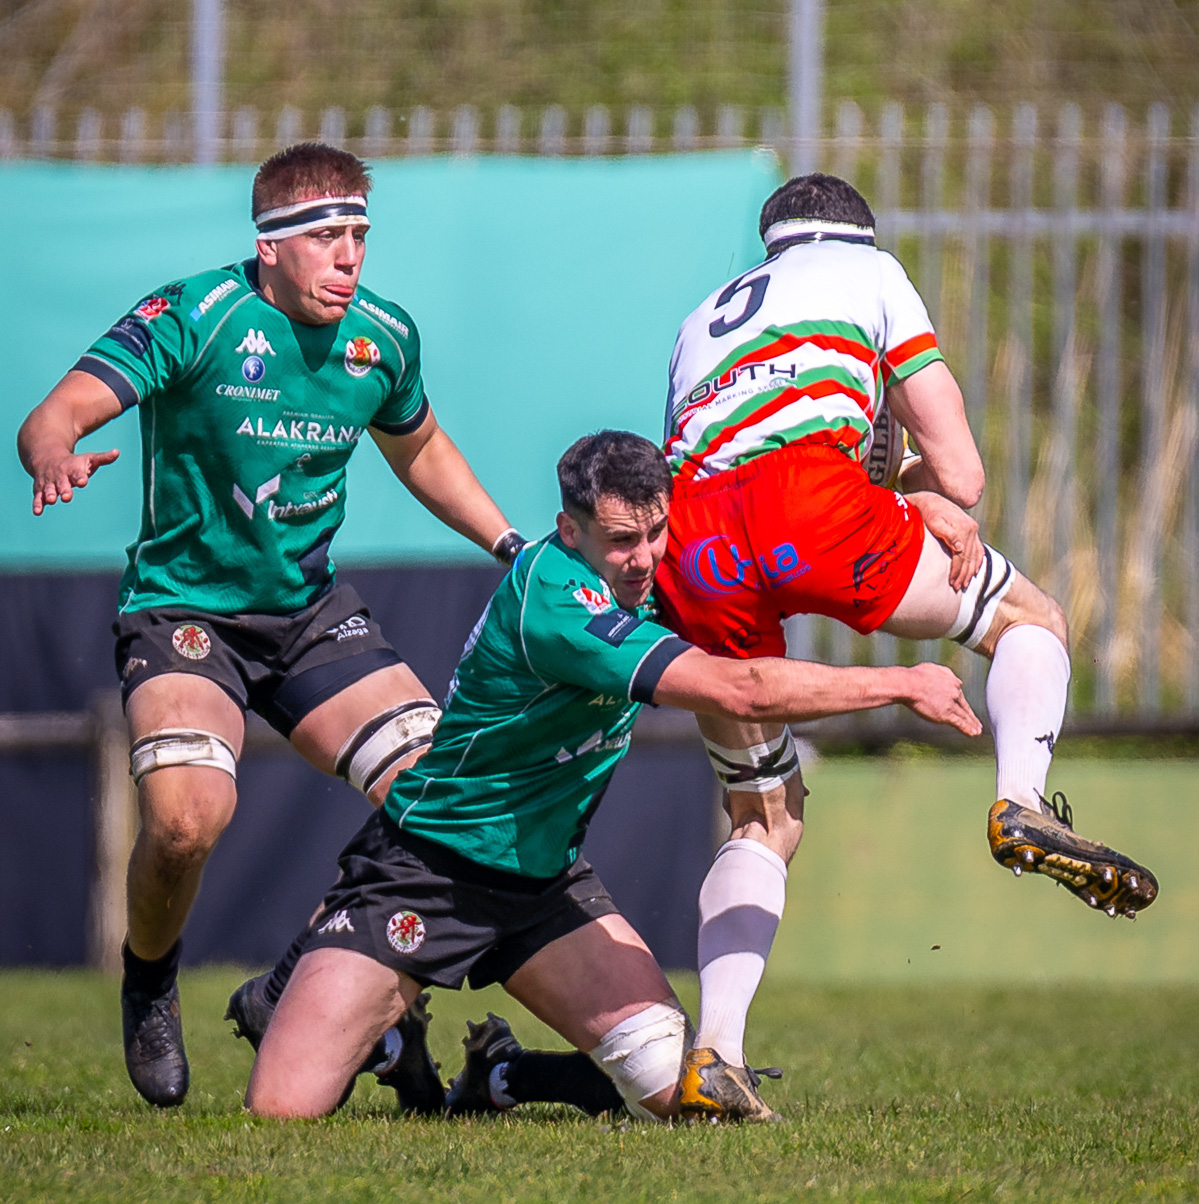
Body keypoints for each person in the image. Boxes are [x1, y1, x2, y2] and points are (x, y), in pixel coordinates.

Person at [237, 430, 981, 1124]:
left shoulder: (654, 557)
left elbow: (805, 529)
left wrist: (920, 501)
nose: (646, 557)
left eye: (657, 534)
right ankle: (360, 1018)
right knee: (283, 1110)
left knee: (677, 1091)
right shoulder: (556, 603)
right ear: (570, 531)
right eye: (622, 541)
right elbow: (739, 690)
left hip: (543, 887)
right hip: (429, 869)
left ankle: (503, 1075)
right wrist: (899, 683)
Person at [17, 142, 525, 1110]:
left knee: (443, 799)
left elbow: (420, 452)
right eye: (328, 237)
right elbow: (54, 415)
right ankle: (150, 980)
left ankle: (297, 985)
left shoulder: (382, 338)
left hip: (307, 613)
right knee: (186, 818)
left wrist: (509, 545)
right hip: (184, 614)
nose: (350, 258)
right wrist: (57, 452)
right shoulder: (193, 316)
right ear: (270, 246)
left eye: (361, 236)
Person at [653, 171, 1160, 1121]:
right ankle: (1019, 804)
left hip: (693, 540)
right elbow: (961, 472)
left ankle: (714, 1051)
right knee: (1028, 621)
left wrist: (888, 488)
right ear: (858, 234)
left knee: (762, 819)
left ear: (770, 246)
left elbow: (711, 455)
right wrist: (919, 488)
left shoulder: (700, 317)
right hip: (812, 501)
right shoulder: (872, 273)